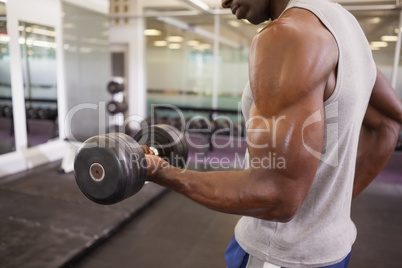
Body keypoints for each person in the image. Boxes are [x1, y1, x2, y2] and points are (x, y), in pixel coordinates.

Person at [144, 0, 402, 267]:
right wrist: (327, 209)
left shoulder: (287, 34)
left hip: (281, 256)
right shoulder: (345, 25)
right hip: (333, 249)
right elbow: (388, 121)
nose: (222, 2)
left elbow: (276, 197)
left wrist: (165, 173)